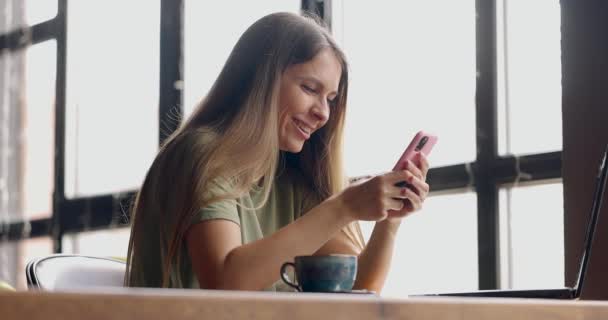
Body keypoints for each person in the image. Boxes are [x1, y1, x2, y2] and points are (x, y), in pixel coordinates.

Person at [124, 12, 430, 293]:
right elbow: (224, 282)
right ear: (262, 80)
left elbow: (357, 290)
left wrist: (389, 221)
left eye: (331, 99)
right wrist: (343, 206)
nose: (323, 113)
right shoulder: (201, 156)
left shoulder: (291, 179)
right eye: (310, 89)